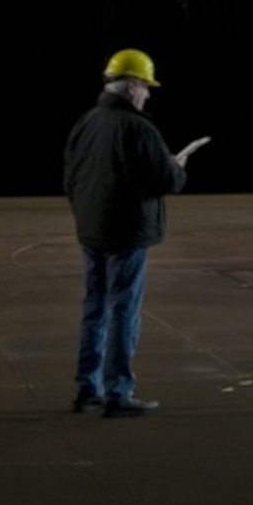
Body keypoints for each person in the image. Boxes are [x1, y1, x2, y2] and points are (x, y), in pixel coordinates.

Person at [65, 47, 189, 417]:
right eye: (146, 87)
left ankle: (88, 389)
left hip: (92, 231)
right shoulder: (139, 128)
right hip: (127, 234)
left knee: (94, 308)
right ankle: (119, 392)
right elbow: (167, 180)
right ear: (133, 85)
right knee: (124, 311)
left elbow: (71, 177)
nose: (148, 94)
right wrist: (177, 165)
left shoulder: (86, 122)